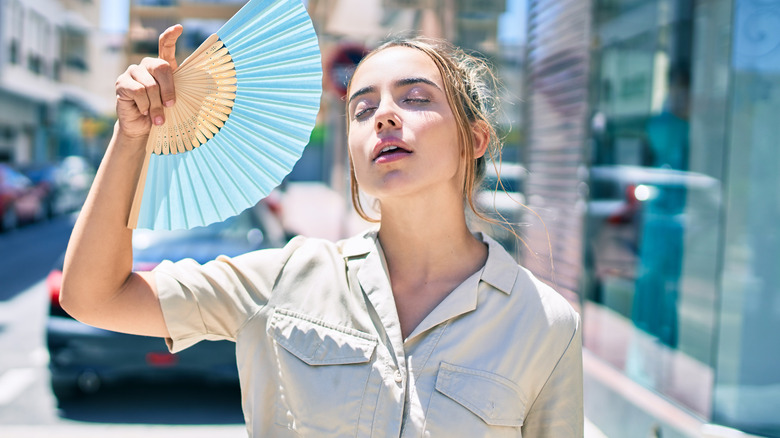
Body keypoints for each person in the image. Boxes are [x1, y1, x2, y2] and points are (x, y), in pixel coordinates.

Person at [61, 24, 583, 437]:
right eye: (363, 108)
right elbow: (94, 296)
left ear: (474, 139)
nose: (383, 117)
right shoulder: (285, 277)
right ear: (353, 152)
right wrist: (130, 138)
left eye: (416, 98)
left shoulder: (545, 326)